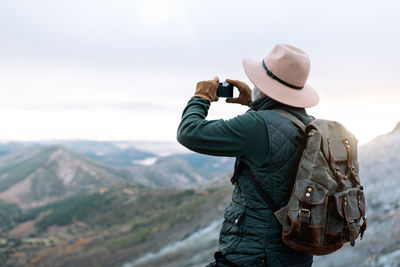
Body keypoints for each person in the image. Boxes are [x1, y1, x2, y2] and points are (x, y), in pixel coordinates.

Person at [177, 44, 319, 267]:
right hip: (294, 256)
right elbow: (276, 133)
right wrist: (255, 103)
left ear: (263, 86)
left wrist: (200, 97)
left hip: (251, 257)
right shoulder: (309, 123)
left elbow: (189, 132)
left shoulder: (257, 125)